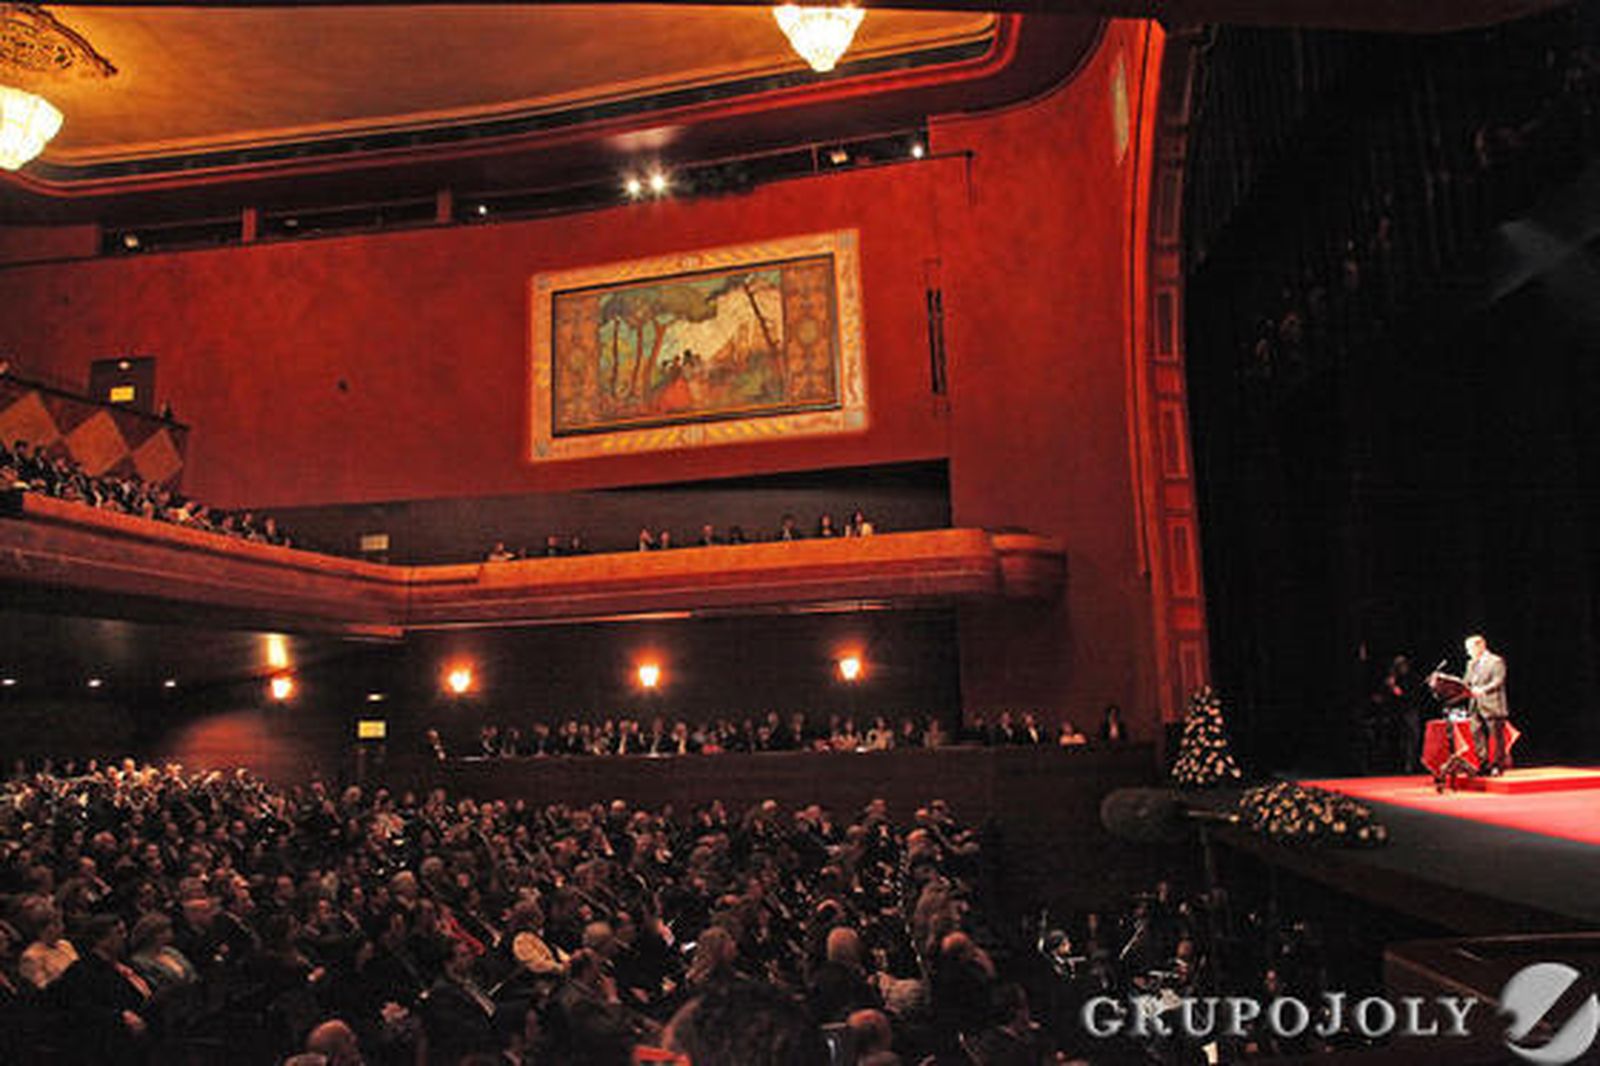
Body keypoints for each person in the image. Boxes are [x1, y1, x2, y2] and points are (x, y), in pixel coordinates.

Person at [1462, 634, 1511, 775]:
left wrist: (1482, 690)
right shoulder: (1470, 663)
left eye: (1469, 649)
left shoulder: (1496, 661)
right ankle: (1483, 764)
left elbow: (1498, 681)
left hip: (1492, 704)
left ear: (1480, 646)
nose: (1467, 652)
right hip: (1475, 705)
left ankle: (1497, 765)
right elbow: (1466, 681)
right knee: (1476, 734)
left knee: (1496, 737)